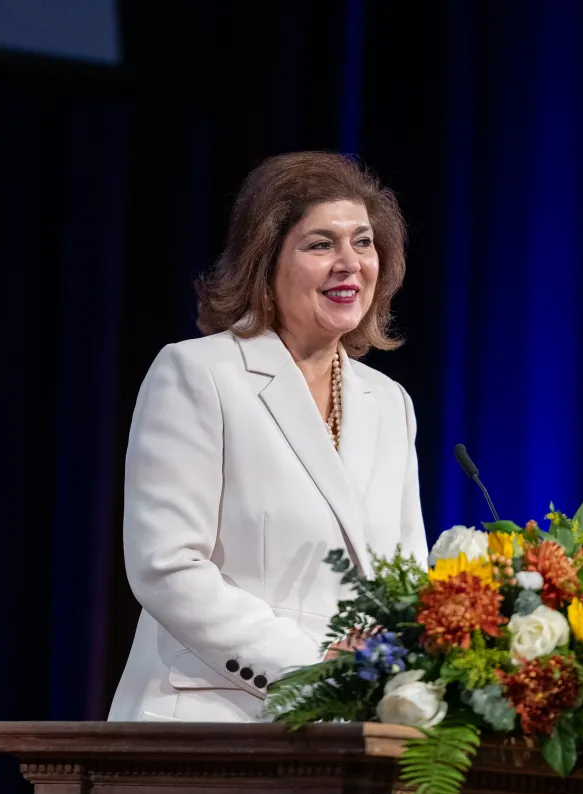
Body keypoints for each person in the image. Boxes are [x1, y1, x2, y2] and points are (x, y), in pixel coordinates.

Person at [108, 150, 428, 723]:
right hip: (214, 719)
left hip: (351, 730)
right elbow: (167, 565)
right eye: (320, 244)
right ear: (265, 261)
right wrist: (313, 669)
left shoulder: (389, 404)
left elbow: (406, 585)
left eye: (363, 242)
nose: (349, 264)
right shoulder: (199, 373)